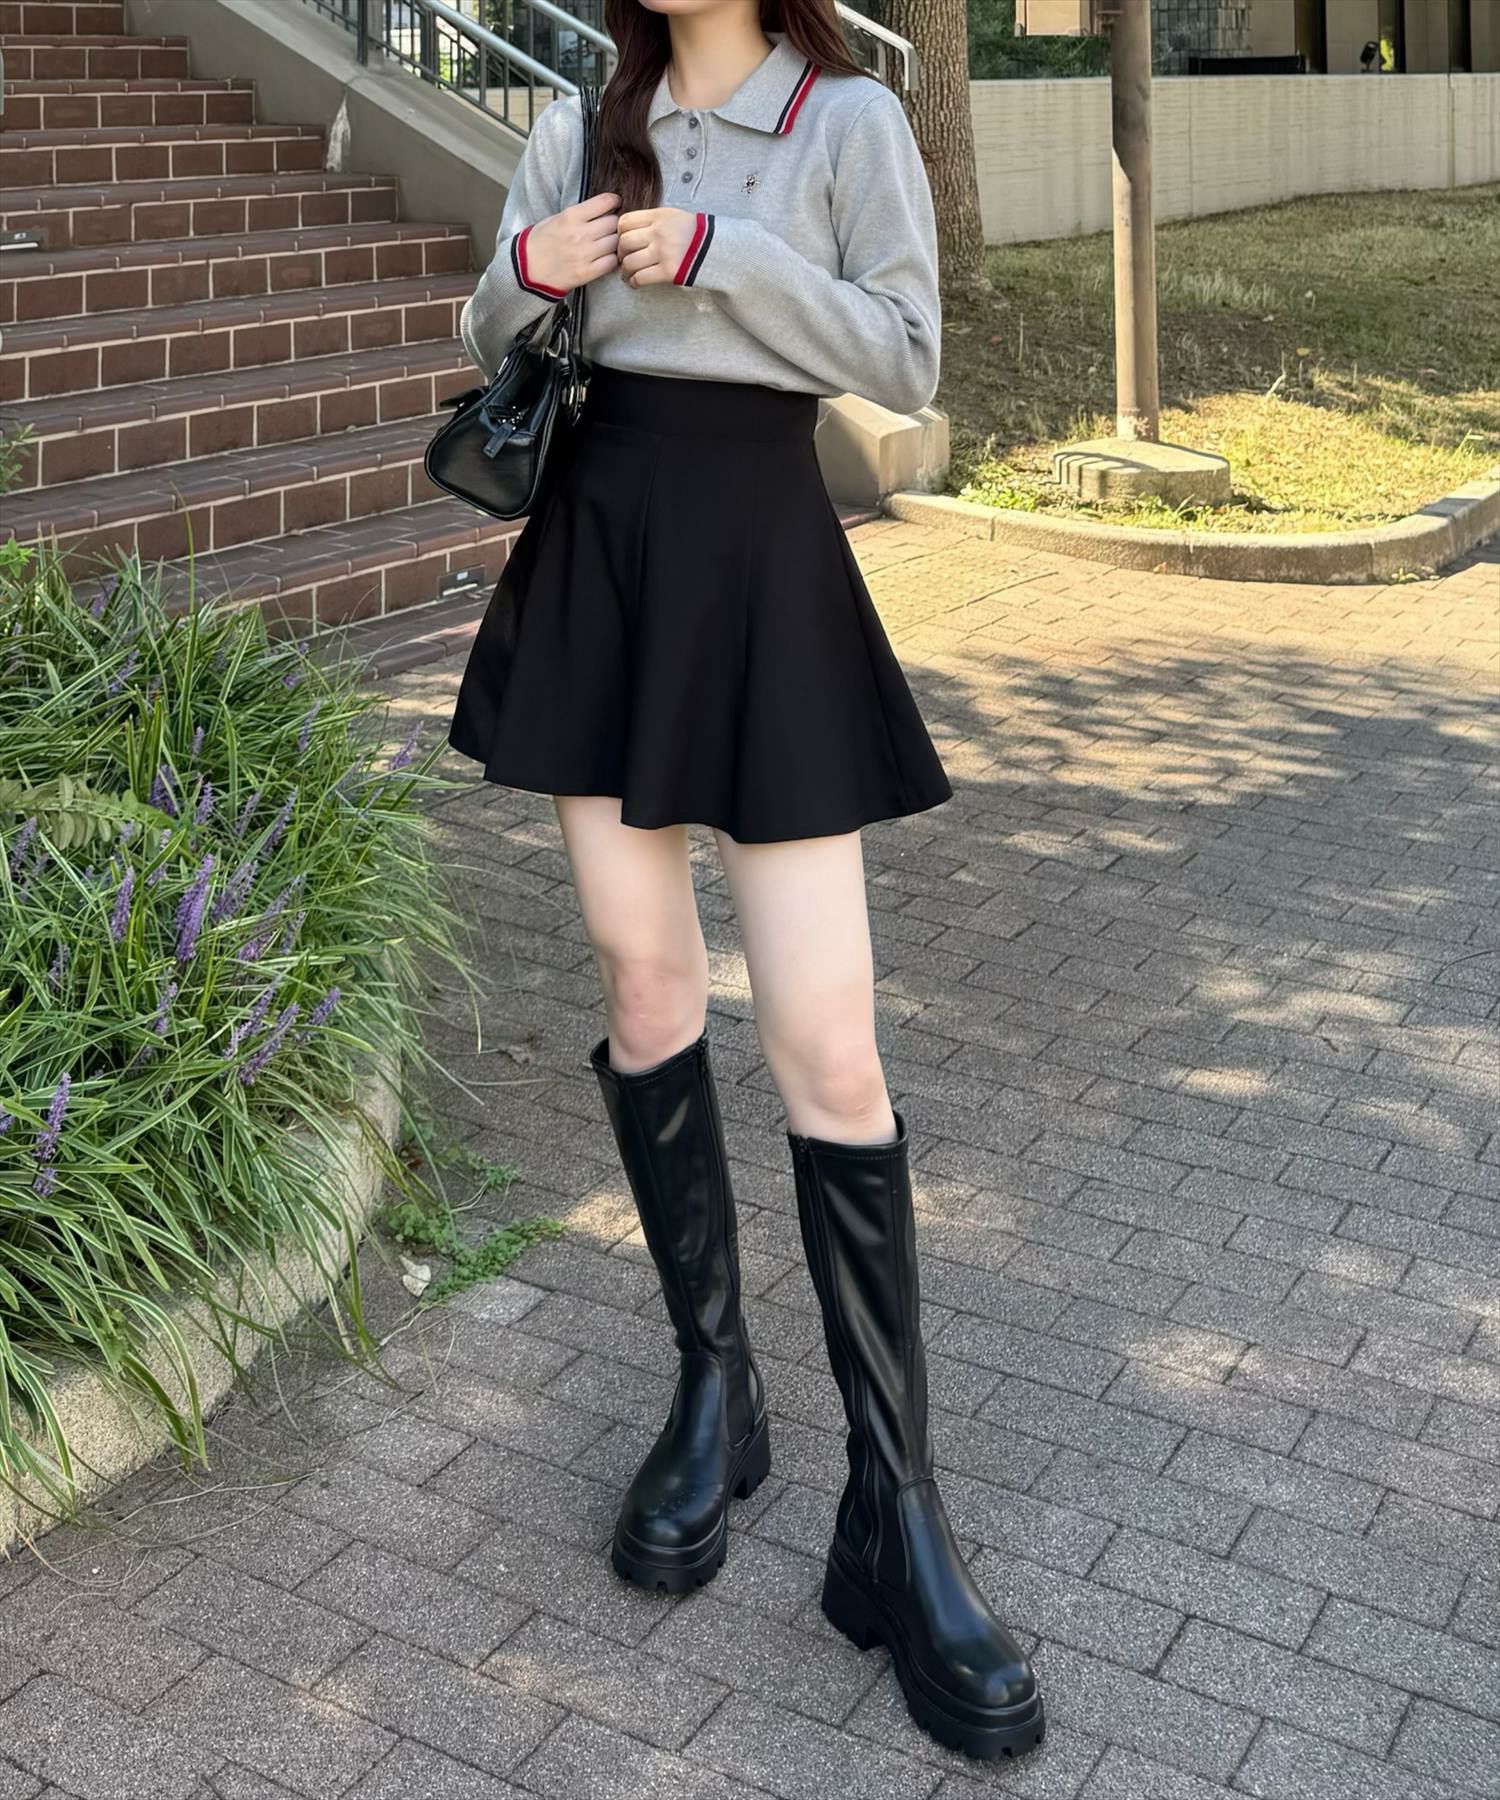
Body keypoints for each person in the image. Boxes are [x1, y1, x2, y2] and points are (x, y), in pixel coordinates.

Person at [448, 0, 1044, 1763]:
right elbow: (487, 322)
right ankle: (717, 1384)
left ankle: (896, 1511)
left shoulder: (848, 121)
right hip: (604, 553)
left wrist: (724, 256)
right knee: (645, 988)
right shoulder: (580, 119)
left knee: (830, 1046)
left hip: (765, 560)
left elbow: (907, 359)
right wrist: (534, 270)